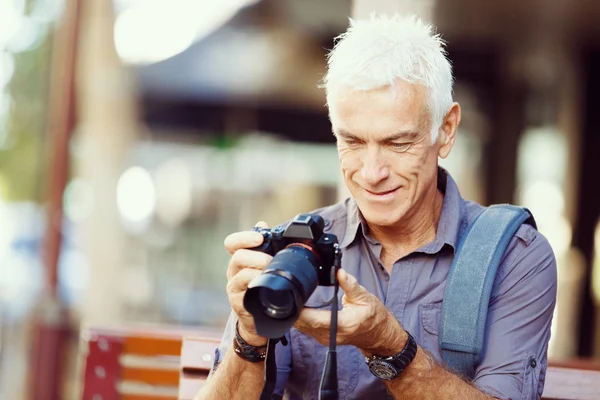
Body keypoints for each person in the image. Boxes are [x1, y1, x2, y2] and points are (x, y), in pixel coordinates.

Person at [195, 13, 557, 400]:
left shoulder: (515, 258)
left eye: (397, 143)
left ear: (446, 131)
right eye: (352, 141)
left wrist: (390, 345)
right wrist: (249, 338)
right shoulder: (295, 252)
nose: (371, 173)